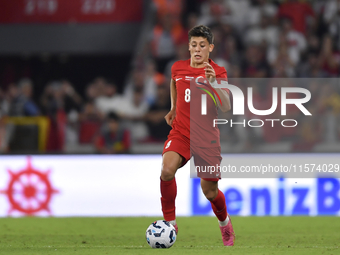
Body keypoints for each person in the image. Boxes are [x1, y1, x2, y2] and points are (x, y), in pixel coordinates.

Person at [160, 25, 235, 246]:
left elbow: (226, 106)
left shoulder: (217, 71)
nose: (197, 49)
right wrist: (173, 108)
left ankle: (225, 224)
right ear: (189, 47)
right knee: (166, 170)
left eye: (202, 45)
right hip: (182, 132)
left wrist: (213, 84)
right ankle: (170, 224)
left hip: (207, 138)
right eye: (193, 45)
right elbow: (174, 83)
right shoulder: (177, 68)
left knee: (209, 191)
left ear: (210, 47)